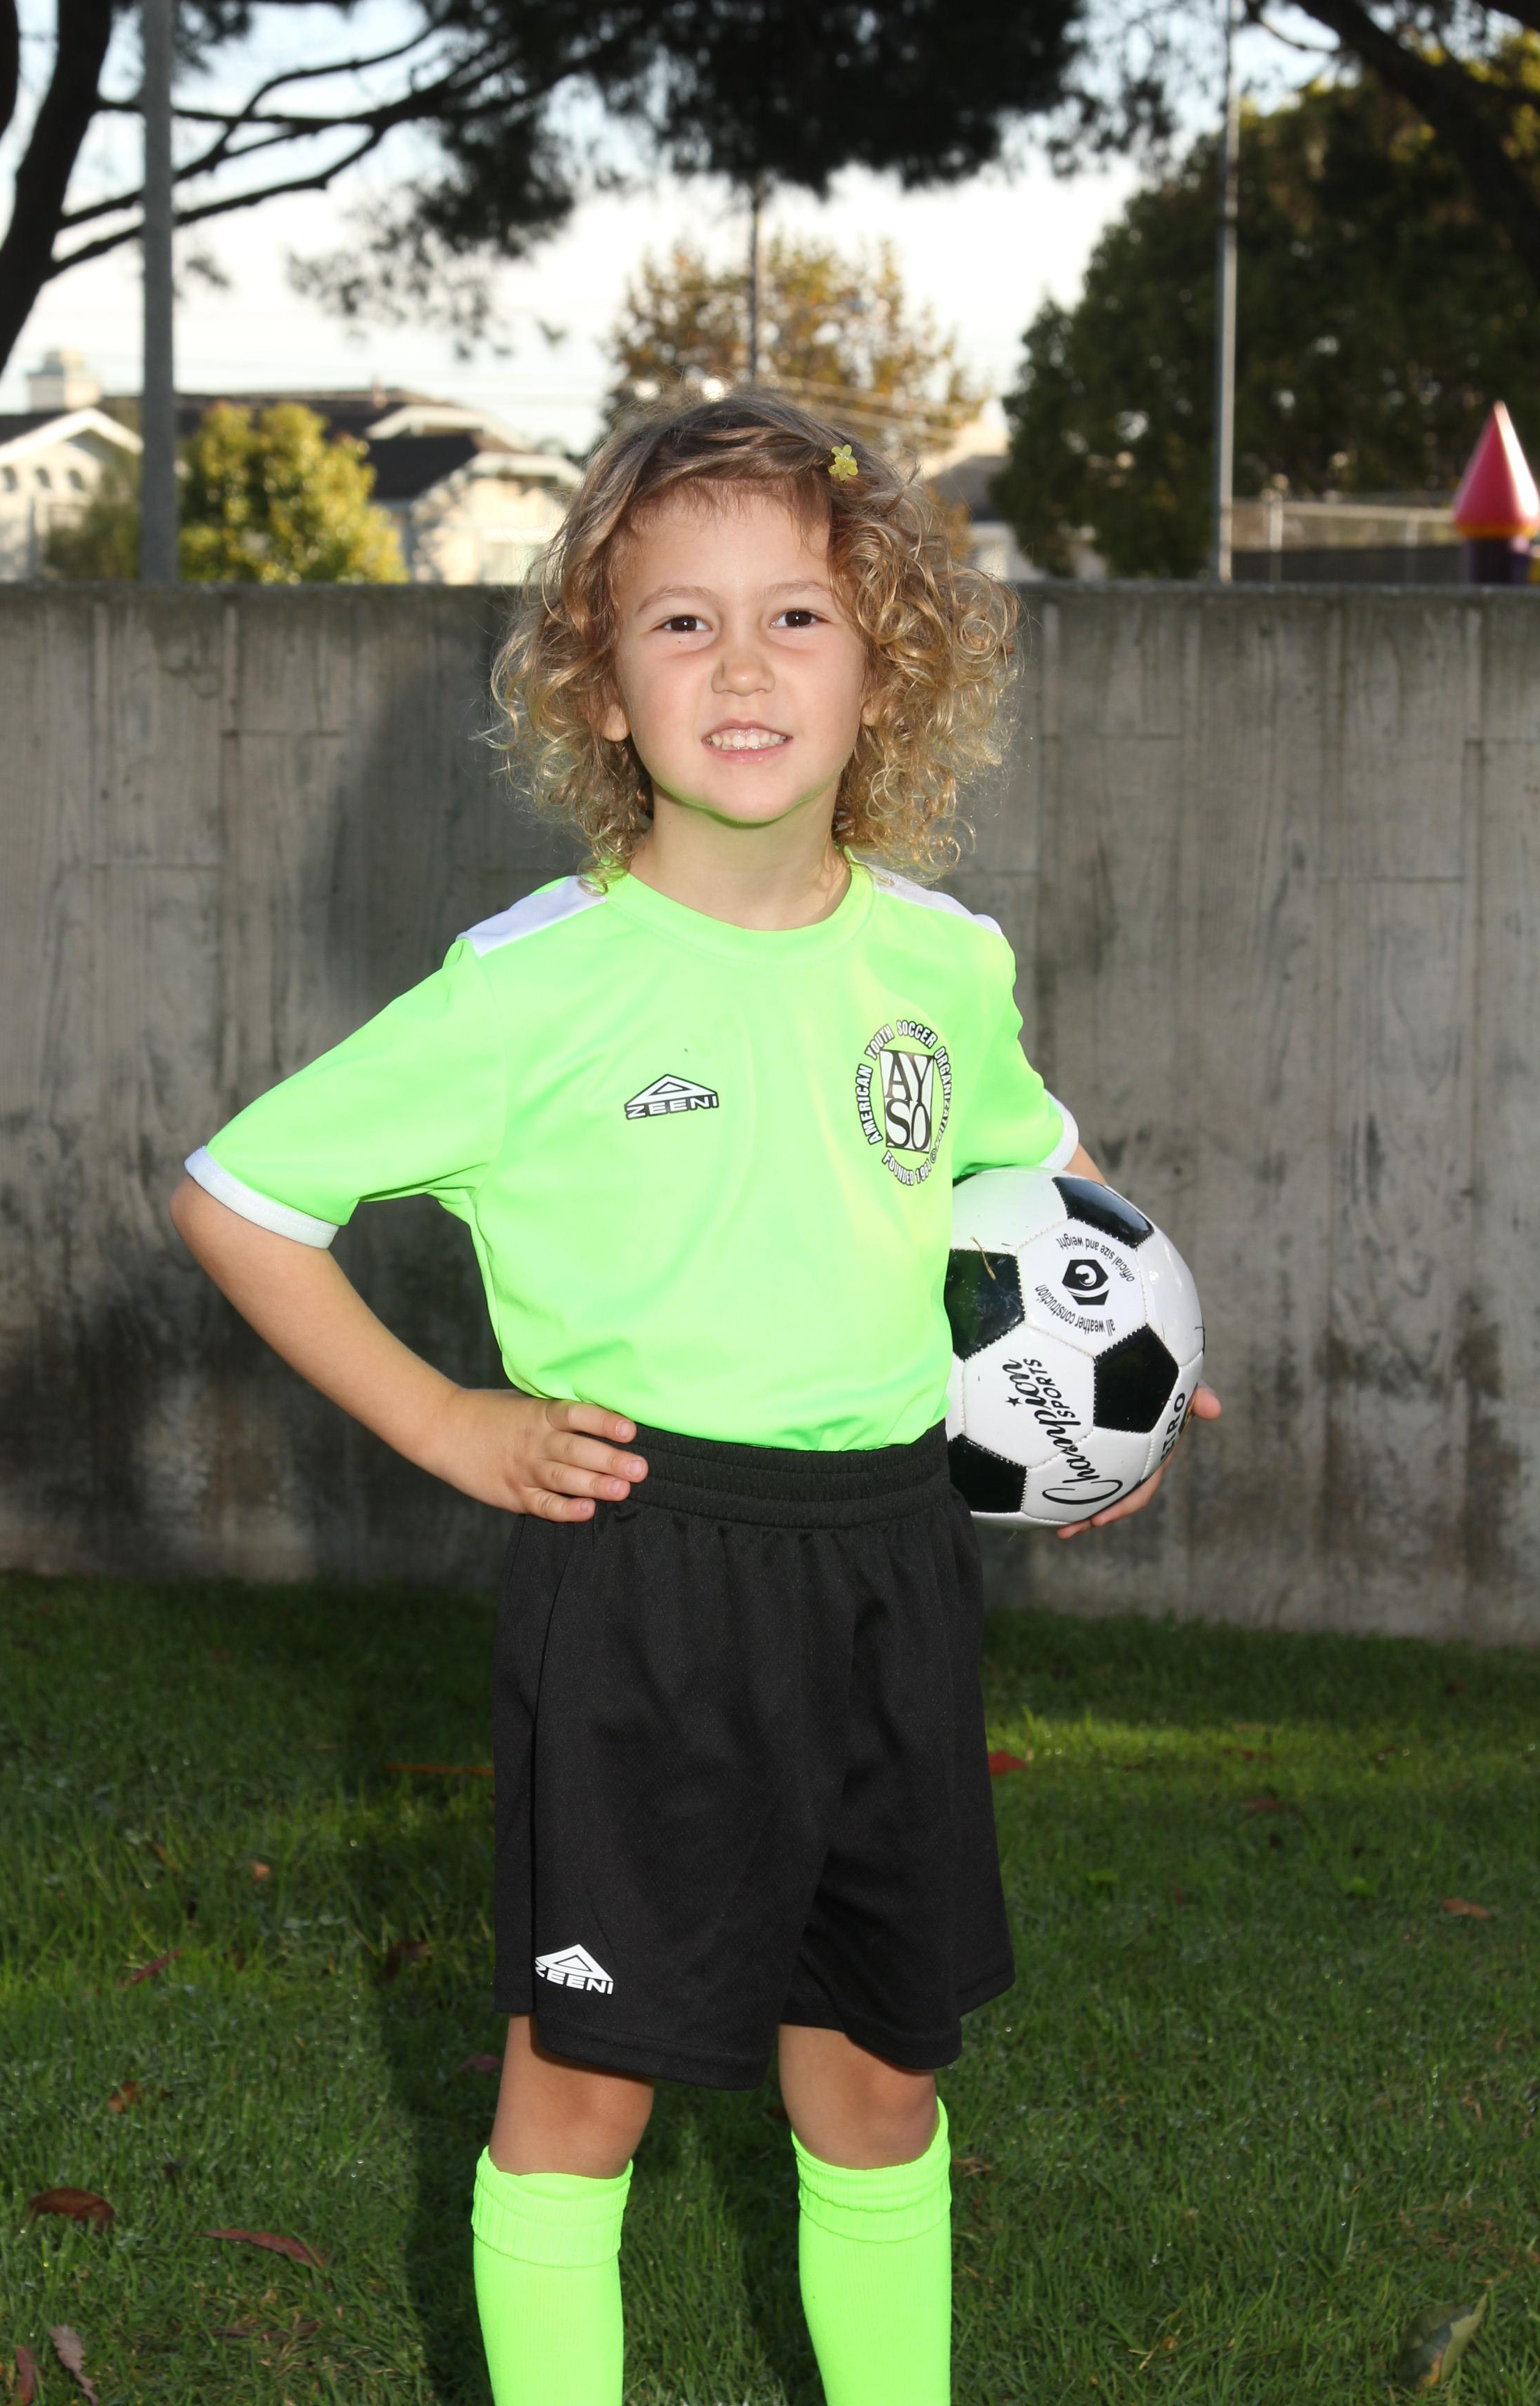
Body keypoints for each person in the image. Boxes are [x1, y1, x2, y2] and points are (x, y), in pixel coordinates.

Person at [171, 391, 1220, 2406]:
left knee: (879, 2084)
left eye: (799, 617)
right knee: (582, 2095)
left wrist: (1128, 1389)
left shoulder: (943, 964)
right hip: (644, 1578)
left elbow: (1043, 1187)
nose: (744, 667)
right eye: (682, 622)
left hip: (892, 1567)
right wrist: (448, 1422)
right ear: (599, 681)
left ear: (886, 668)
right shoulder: (530, 987)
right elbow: (241, 1202)